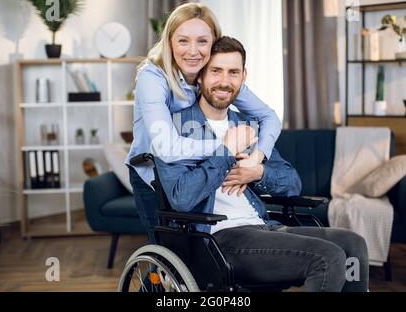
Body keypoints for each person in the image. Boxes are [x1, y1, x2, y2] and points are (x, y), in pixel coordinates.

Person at [154, 36, 369, 292]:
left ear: (243, 77)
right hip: (218, 238)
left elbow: (292, 183)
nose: (224, 81)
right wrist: (226, 153)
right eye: (216, 71)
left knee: (352, 244)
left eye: (233, 72)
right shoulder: (175, 128)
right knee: (328, 257)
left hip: (265, 227)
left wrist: (258, 172)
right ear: (200, 75)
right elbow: (181, 198)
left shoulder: (249, 125)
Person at [125, 3, 281, 244]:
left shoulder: (213, 77)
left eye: (202, 41)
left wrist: (258, 155)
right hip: (153, 172)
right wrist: (227, 147)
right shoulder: (153, 77)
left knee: (193, 254)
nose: (193, 51)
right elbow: (166, 147)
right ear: (169, 42)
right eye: (183, 41)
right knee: (169, 252)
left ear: (214, 43)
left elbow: (269, 117)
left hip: (196, 169)